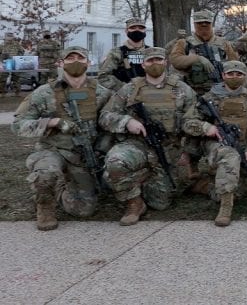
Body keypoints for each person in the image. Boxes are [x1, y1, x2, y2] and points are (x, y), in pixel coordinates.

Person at [12, 46, 113, 230]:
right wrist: (52, 122)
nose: (75, 61)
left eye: (80, 58)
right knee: (45, 174)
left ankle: (60, 187)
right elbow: (19, 125)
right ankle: (44, 206)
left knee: (83, 209)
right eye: (70, 58)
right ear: (60, 63)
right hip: (53, 151)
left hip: (82, 156)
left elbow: (111, 123)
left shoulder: (102, 93)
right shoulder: (44, 93)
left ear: (88, 63)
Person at [99, 47, 200, 226]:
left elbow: (193, 121)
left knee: (160, 203)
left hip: (169, 148)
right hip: (137, 145)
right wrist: (127, 121)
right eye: (150, 61)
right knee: (116, 162)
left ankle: (141, 177)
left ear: (165, 63)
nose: (155, 64)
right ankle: (134, 202)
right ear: (143, 64)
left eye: (158, 60)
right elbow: (105, 116)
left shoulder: (182, 89)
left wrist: (188, 153)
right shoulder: (130, 89)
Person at [190, 60, 247, 226]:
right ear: (223, 75)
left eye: (239, 74)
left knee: (237, 191)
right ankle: (225, 209)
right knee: (230, 156)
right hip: (214, 146)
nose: (234, 77)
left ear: (245, 76)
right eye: (230, 73)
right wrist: (205, 126)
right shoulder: (209, 98)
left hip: (241, 145)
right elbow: (189, 122)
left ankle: (204, 185)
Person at [169, 9, 239, 96]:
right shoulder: (184, 43)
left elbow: (235, 64)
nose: (204, 25)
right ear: (194, 24)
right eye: (200, 23)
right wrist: (197, 58)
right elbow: (175, 60)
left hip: (220, 90)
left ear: (211, 24)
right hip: (193, 91)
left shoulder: (223, 43)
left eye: (207, 23)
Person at [98, 18, 149, 92]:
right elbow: (103, 77)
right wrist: (124, 88)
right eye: (133, 28)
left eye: (141, 28)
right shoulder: (116, 53)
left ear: (145, 31)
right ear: (126, 31)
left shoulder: (151, 52)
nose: (137, 30)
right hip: (123, 98)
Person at [2, 31, 26, 95]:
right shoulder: (2, 45)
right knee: (2, 78)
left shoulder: (16, 44)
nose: (9, 39)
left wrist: (18, 57)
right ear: (5, 37)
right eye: (8, 37)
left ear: (13, 37)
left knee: (16, 78)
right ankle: (2, 93)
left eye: (10, 37)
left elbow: (22, 51)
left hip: (15, 62)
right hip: (5, 63)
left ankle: (17, 93)